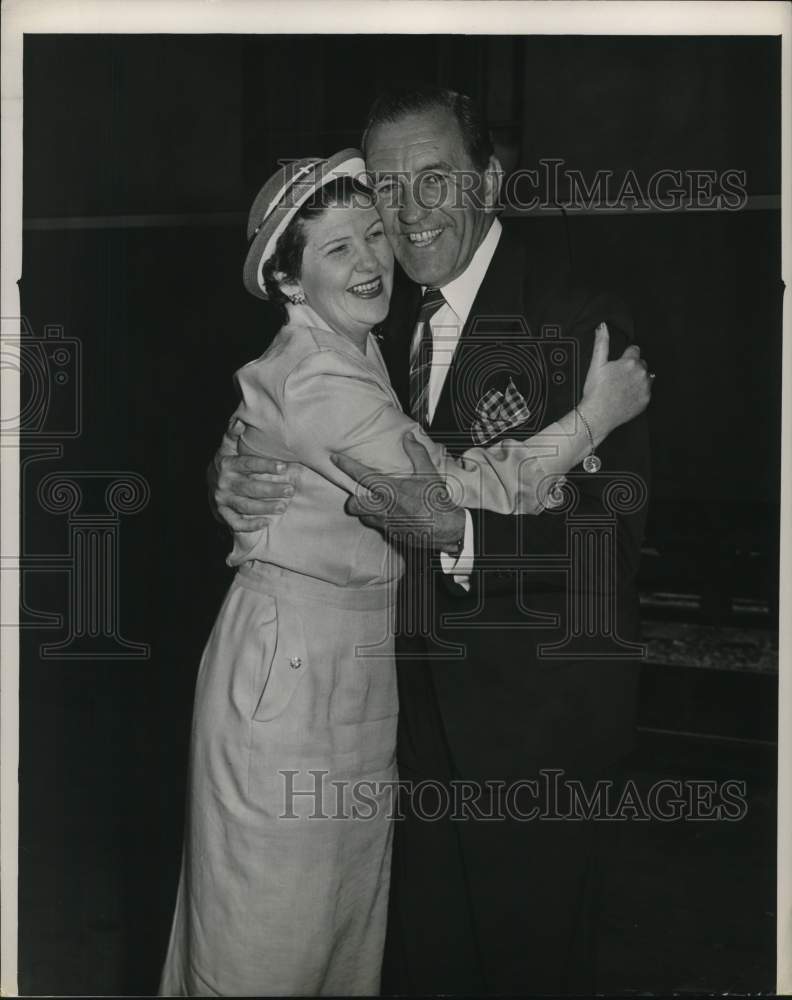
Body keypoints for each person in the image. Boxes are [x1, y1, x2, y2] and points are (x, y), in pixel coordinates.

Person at [205, 88, 653, 996]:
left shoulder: (578, 314)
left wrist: (463, 536)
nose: (405, 217)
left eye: (435, 180)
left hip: (529, 735)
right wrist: (230, 469)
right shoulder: (377, 310)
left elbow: (606, 545)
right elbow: (298, 413)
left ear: (490, 181)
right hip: (393, 727)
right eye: (389, 188)